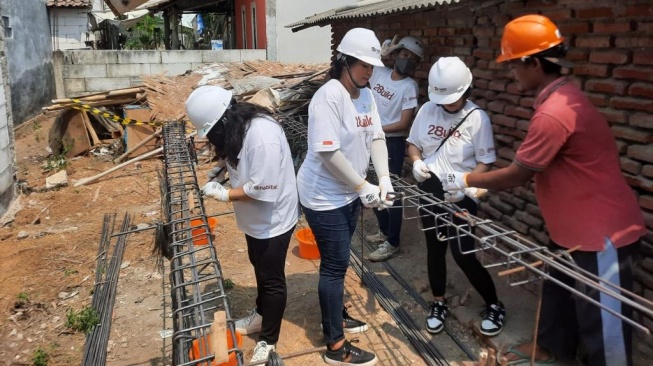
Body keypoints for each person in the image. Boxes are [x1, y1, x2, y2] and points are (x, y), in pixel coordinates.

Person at [439, 14, 646, 366]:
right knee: (558, 294)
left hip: (601, 234)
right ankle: (552, 349)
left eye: (513, 66)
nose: (511, 74)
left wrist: (464, 180)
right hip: (573, 228)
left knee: (604, 321)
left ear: (532, 63)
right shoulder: (560, 98)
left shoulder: (555, 112)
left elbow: (517, 175)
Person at [296, 27, 394, 366]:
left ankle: (337, 316)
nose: (369, 71)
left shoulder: (366, 94)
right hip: (323, 196)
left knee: (338, 260)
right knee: (335, 266)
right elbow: (327, 153)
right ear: (344, 61)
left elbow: (377, 138)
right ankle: (336, 346)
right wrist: (362, 186)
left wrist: (382, 179)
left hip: (349, 192)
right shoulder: (329, 96)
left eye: (372, 65)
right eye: (363, 64)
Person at [185, 85, 300, 364]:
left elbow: (263, 188)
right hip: (253, 217)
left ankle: (268, 339)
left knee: (272, 279)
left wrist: (224, 194)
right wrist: (220, 169)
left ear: (224, 121)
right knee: (258, 264)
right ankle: (261, 316)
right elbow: (234, 151)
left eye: (213, 132)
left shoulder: (263, 135)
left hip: (273, 218)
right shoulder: (239, 127)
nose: (214, 139)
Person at [406, 56, 506, 337]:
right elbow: (413, 144)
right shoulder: (427, 110)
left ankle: (494, 305)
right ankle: (438, 302)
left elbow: (485, 162)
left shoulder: (477, 119)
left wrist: (472, 189)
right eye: (444, 99)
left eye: (453, 98)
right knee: (435, 248)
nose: (448, 104)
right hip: (430, 187)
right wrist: (416, 162)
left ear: (466, 90)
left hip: (460, 193)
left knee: (463, 253)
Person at [365, 35, 422, 262]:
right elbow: (368, 61)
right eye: (405, 54)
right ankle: (384, 229)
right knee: (370, 185)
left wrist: (375, 129)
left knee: (390, 190)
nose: (408, 61)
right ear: (396, 54)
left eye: (414, 59)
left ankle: (393, 242)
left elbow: (404, 123)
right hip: (371, 137)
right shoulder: (380, 73)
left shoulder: (409, 86)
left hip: (392, 142)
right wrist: (383, 52)